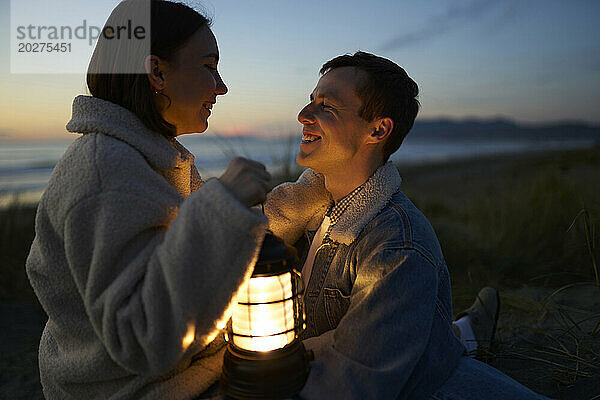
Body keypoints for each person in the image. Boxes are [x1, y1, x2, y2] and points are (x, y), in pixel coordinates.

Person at [265, 52, 550, 399]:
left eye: (327, 107)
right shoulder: (308, 208)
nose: (303, 115)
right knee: (431, 331)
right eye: (312, 101)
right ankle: (465, 332)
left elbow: (354, 383)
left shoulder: (397, 246)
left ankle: (461, 337)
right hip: (386, 356)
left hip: (420, 387)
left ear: (378, 129)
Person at [26, 1, 271, 399]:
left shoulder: (154, 157)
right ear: (157, 72)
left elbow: (191, 243)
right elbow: (143, 338)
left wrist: (305, 198)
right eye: (209, 66)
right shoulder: (105, 170)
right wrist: (223, 205)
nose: (221, 86)